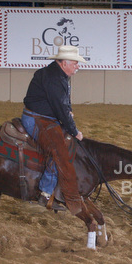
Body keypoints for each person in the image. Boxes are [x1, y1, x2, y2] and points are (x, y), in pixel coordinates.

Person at [21, 45, 86, 214]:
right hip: (36, 119)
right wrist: (74, 131)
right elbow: (60, 107)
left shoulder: (58, 75)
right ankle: (45, 193)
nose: (77, 66)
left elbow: (64, 103)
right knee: (58, 151)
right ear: (64, 63)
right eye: (75, 63)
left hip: (44, 117)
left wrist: (68, 111)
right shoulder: (54, 78)